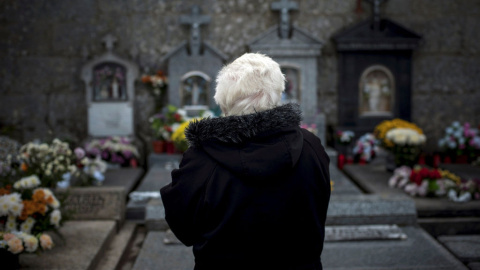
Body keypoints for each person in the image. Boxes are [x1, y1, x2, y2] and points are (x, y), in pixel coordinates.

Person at [160, 53, 331, 270]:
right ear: (278, 92)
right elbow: (319, 207)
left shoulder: (202, 159)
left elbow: (184, 228)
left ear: (222, 98)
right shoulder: (310, 146)